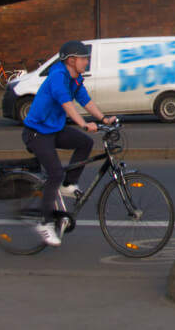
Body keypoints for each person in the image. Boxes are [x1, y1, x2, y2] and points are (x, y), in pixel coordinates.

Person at [22, 41, 116, 246]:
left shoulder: (75, 79)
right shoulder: (58, 76)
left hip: (53, 129)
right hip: (37, 133)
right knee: (55, 172)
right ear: (71, 60)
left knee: (84, 143)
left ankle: (67, 185)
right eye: (84, 58)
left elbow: (85, 100)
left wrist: (103, 119)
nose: (87, 61)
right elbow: (65, 102)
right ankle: (45, 224)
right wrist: (83, 123)